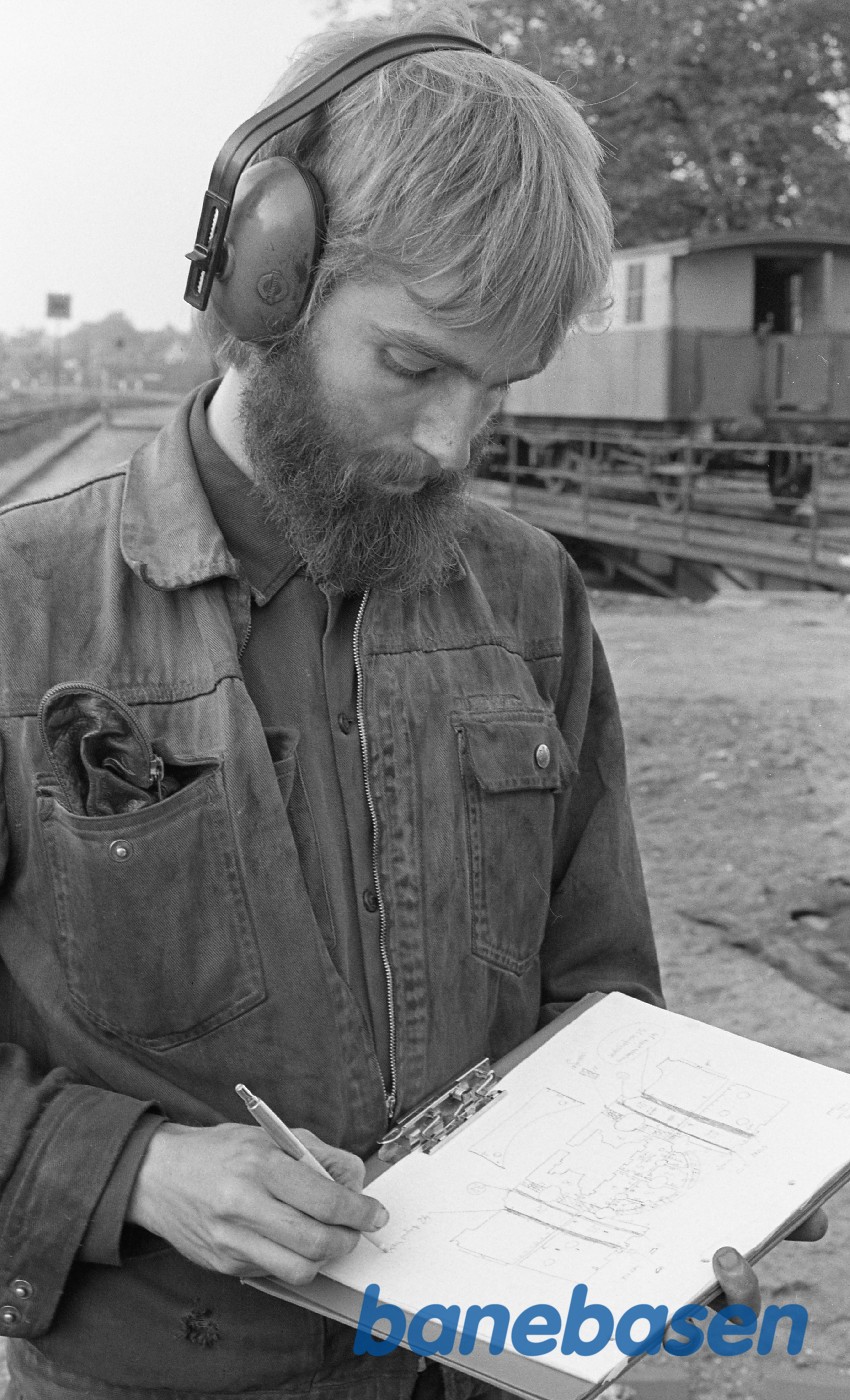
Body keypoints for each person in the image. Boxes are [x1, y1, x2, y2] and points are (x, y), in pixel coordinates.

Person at [0, 6, 824, 1399]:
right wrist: (137, 1168)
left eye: (492, 389)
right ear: (266, 278)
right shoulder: (22, 607)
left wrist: (679, 1201)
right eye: (412, 365)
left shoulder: (528, 598)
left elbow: (601, 994)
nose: (451, 444)